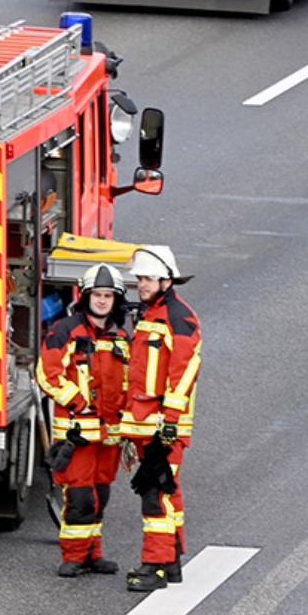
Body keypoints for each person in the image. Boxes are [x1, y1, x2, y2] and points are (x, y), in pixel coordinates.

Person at [36, 263, 130, 577]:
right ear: (86, 295)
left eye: (108, 295)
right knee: (78, 497)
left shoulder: (121, 337)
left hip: (110, 435)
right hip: (77, 435)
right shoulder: (65, 331)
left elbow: (130, 380)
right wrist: (79, 400)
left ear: (116, 300)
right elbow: (47, 375)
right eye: (97, 295)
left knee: (100, 495)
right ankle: (73, 556)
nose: (102, 301)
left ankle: (93, 553)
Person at [120, 245, 200, 592]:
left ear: (167, 279)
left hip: (164, 426)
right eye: (140, 279)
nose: (142, 284)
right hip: (145, 422)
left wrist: (169, 419)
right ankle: (172, 560)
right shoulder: (149, 315)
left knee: (156, 494)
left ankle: (154, 567)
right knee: (167, 491)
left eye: (149, 278)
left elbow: (184, 371)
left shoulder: (178, 318)